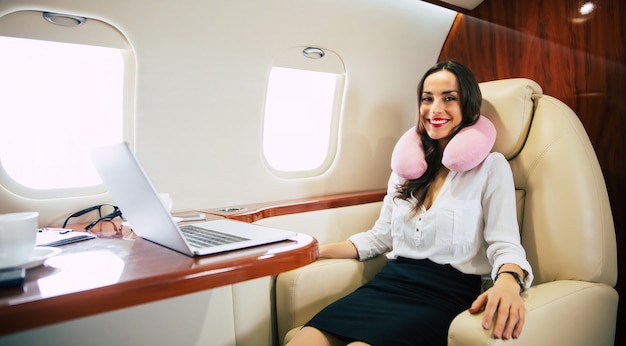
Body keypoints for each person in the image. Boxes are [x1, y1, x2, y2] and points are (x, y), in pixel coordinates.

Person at [286, 61, 533, 346]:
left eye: (449, 98)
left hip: (445, 297)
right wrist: (317, 251)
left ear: (469, 107)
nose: (434, 109)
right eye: (427, 99)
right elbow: (380, 236)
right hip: (389, 285)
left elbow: (506, 244)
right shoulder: (407, 169)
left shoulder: (491, 167)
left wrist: (508, 282)